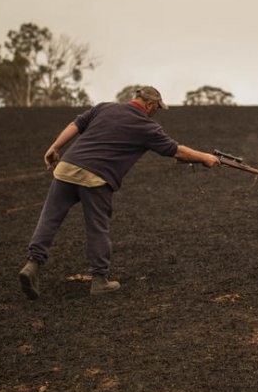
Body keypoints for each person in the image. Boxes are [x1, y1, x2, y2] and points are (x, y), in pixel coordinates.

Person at [18, 86, 220, 299]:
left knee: (49, 218)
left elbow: (75, 124)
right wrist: (206, 158)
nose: (156, 112)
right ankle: (99, 280)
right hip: (96, 178)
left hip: (66, 168)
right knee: (97, 227)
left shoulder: (104, 107)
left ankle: (32, 265)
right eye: (157, 108)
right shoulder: (146, 126)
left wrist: (55, 147)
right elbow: (176, 150)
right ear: (150, 105)